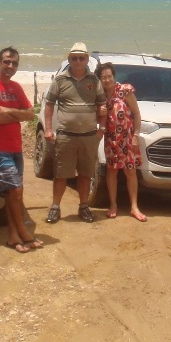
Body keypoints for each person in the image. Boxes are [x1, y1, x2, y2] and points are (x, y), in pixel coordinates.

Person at [0, 47, 43, 253]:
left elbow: (31, 114)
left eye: (14, 63)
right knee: (15, 191)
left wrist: (8, 111)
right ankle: (23, 232)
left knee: (13, 194)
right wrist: (17, 114)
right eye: (7, 62)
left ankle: (13, 236)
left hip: (15, 148)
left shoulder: (15, 87)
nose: (10, 66)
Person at [44, 42, 107, 224]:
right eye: (74, 58)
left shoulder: (94, 81)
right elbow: (49, 105)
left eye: (81, 58)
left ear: (87, 59)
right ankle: (55, 207)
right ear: (69, 59)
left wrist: (101, 129)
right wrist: (48, 129)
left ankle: (83, 206)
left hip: (89, 136)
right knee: (61, 174)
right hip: (66, 136)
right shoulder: (60, 80)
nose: (78, 61)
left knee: (86, 174)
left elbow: (102, 105)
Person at [95, 62, 147, 222]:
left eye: (109, 76)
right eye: (103, 77)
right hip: (111, 140)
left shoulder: (125, 91)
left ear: (113, 76)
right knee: (111, 171)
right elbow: (96, 118)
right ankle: (113, 205)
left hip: (128, 139)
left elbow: (137, 114)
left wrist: (136, 135)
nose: (107, 80)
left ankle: (134, 207)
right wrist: (98, 112)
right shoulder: (100, 96)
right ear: (100, 80)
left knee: (130, 172)